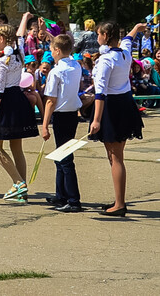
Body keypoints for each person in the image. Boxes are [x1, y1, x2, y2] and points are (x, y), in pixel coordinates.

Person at [88, 22, 145, 217]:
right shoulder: (123, 53)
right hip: (125, 103)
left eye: (98, 34)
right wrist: (137, 28)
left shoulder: (106, 60)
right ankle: (118, 199)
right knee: (114, 155)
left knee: (116, 156)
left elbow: (100, 93)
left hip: (111, 107)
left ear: (104, 35)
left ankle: (120, 203)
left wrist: (96, 120)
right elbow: (129, 39)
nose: (97, 38)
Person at [0, 24, 38, 203]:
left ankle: (19, 183)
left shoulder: (2, 62)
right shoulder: (20, 56)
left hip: (5, 103)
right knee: (17, 148)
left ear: (2, 39)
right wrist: (24, 19)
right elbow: (21, 37)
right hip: (18, 99)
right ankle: (22, 190)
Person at [40, 34, 83, 212]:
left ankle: (73, 200)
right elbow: (63, 44)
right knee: (60, 156)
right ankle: (61, 195)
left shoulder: (56, 71)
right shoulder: (75, 64)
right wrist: (50, 36)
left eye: (52, 50)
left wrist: (44, 125)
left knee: (65, 158)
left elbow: (50, 100)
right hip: (72, 114)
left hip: (61, 114)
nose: (51, 53)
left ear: (57, 51)